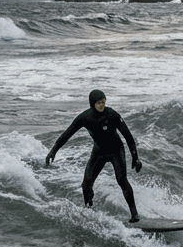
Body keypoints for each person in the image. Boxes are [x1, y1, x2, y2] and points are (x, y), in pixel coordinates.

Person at [44, 89, 143, 223]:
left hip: (115, 151)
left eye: (103, 102)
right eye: (99, 103)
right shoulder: (85, 117)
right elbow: (67, 134)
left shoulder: (112, 114)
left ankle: (134, 214)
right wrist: (53, 151)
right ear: (92, 103)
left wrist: (135, 157)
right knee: (86, 184)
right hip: (99, 153)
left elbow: (128, 136)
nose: (102, 105)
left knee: (121, 180)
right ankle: (88, 210)